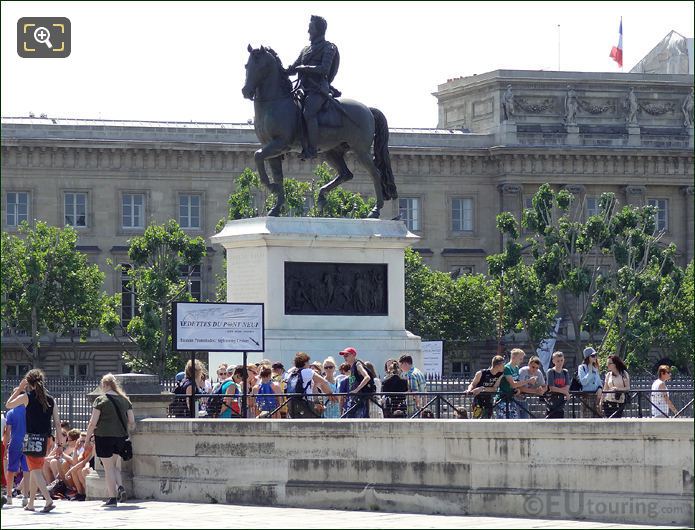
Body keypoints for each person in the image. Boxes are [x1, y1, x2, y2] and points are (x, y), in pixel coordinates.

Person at [5, 369, 64, 513]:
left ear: (28, 382)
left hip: (31, 437)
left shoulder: (27, 397)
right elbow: (57, 423)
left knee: (35, 470)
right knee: (33, 469)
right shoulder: (51, 399)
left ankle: (48, 500)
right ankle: (31, 503)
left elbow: (8, 405)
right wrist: (60, 444)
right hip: (46, 438)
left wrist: (19, 389)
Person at [286, 15, 340, 160]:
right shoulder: (305, 49)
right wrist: (279, 69)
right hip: (303, 88)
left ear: (318, 30)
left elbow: (324, 69)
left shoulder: (329, 47)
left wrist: (305, 68)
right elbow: (294, 67)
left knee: (309, 112)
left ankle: (312, 149)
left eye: (311, 28)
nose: (308, 30)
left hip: (318, 89)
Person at [84, 374, 135, 507]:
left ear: (105, 385)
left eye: (102, 385)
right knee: (114, 465)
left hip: (104, 436)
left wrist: (87, 439)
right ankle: (120, 487)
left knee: (108, 469)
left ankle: (112, 497)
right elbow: (132, 421)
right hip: (120, 437)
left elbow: (92, 422)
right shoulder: (125, 400)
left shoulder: (101, 400)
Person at [286, 352, 335, 418]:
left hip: (291, 403)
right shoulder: (307, 371)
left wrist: (317, 402)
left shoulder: (291, 373)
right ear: (305, 362)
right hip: (304, 404)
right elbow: (324, 382)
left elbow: (314, 387)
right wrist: (330, 394)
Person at [496, 348, 535, 419]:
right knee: (503, 422)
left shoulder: (517, 368)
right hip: (503, 398)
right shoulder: (507, 368)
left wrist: (518, 390)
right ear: (513, 357)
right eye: (520, 359)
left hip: (511, 398)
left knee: (514, 420)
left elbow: (516, 383)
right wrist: (528, 381)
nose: (522, 361)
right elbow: (513, 384)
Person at [4, 400, 29, 506]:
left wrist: (5, 447)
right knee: (27, 470)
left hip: (15, 442)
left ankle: (9, 495)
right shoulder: (29, 411)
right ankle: (25, 496)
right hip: (27, 442)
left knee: (11, 469)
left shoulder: (11, 413)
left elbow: (7, 432)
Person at [339, 347, 375, 418]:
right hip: (354, 399)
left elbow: (367, 377)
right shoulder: (351, 367)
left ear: (353, 355)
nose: (344, 357)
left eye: (347, 355)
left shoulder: (357, 364)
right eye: (344, 356)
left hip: (360, 399)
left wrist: (356, 390)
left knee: (358, 422)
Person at [578, 347, 603, 418]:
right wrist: (590, 371)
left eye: (595, 355)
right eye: (592, 356)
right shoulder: (581, 367)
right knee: (587, 419)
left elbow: (599, 382)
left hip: (596, 397)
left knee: (597, 420)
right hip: (586, 397)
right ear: (587, 357)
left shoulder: (596, 368)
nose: (595, 357)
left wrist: (600, 388)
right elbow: (583, 382)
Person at [546, 351, 570, 418]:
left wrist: (560, 390)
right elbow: (552, 388)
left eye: (561, 360)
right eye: (558, 361)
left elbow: (567, 387)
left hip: (561, 403)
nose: (560, 363)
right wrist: (565, 392)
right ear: (553, 361)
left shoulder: (565, 372)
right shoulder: (550, 372)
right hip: (551, 403)